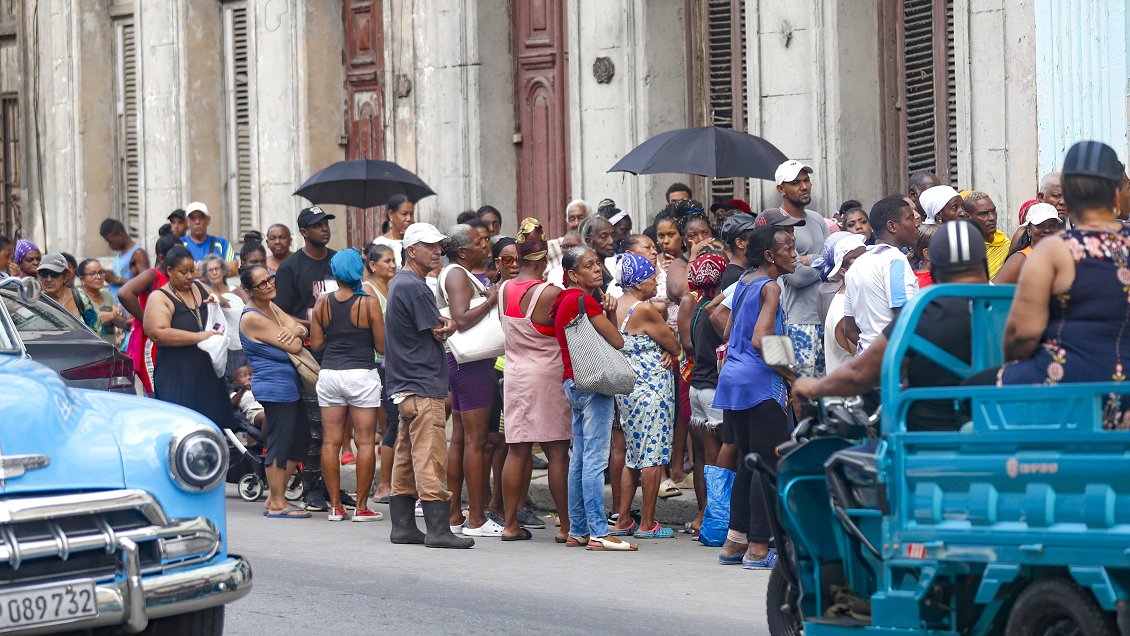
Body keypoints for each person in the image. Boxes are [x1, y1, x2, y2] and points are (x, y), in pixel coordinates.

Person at [794, 220, 991, 432]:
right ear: (984, 263)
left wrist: (814, 386)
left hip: (926, 441)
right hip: (1000, 432)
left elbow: (861, 374)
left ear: (932, 267)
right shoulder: (1010, 308)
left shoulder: (921, 312)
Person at [998, 141, 1130, 399]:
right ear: (1116, 194)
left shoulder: (1053, 250)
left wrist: (1012, 360)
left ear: (1066, 199)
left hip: (1068, 384)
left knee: (972, 390)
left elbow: (1022, 335)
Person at [713, 225, 796, 569]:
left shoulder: (746, 281)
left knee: (749, 461)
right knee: (768, 466)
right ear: (769, 256)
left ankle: (735, 542)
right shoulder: (772, 287)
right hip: (761, 384)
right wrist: (792, 376)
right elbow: (763, 339)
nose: (794, 253)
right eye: (788, 248)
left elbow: (727, 326)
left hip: (733, 380)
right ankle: (759, 547)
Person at [385, 222, 469, 548]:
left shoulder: (400, 282)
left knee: (406, 456)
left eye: (438, 246)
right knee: (430, 456)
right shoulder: (415, 286)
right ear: (411, 250)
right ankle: (438, 529)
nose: (437, 251)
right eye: (430, 246)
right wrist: (447, 324)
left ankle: (403, 526)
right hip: (422, 384)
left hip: (405, 384)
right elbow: (438, 328)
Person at [550, 245, 635, 551]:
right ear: (573, 274)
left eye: (597, 263)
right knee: (595, 460)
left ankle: (577, 529)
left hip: (573, 382)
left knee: (580, 458)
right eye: (588, 266)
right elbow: (617, 339)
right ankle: (599, 531)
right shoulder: (585, 300)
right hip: (594, 384)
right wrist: (610, 311)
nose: (597, 269)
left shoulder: (563, 300)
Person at [498, 219, 572, 542]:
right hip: (546, 376)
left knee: (517, 450)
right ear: (542, 260)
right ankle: (567, 525)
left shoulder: (502, 289)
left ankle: (510, 523)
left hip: (514, 376)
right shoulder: (550, 293)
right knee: (557, 451)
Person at [607, 253, 681, 540]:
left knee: (633, 455)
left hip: (630, 389)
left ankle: (624, 518)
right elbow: (674, 346)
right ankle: (648, 522)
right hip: (652, 389)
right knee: (653, 456)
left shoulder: (620, 305)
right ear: (638, 283)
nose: (655, 282)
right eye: (652, 278)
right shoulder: (643, 309)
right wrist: (668, 347)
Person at [309, 249, 386, 523]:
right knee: (364, 441)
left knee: (330, 442)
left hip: (330, 374)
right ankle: (362, 507)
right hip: (361, 374)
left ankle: (335, 507)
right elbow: (381, 346)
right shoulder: (369, 303)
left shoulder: (322, 302)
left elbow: (316, 344)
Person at [438, 224, 502, 537]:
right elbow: (461, 319)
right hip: (471, 365)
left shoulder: (456, 272)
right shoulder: (458, 274)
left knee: (462, 438)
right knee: (475, 441)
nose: (485, 244)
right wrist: (491, 299)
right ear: (463, 250)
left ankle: (454, 513)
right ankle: (476, 517)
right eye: (479, 241)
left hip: (462, 363)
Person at [237, 264, 312, 519]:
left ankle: (274, 496)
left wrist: (296, 331)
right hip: (274, 387)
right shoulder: (253, 317)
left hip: (288, 386)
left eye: (270, 279)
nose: (269, 285)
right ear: (249, 290)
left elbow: (299, 329)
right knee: (281, 442)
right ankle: (278, 502)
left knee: (299, 438)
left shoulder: (269, 306)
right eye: (262, 284)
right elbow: (294, 344)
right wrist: (296, 333)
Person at [144, 245, 234, 427]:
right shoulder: (159, 297)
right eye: (183, 272)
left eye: (192, 270)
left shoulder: (199, 286)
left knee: (215, 424)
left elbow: (224, 304)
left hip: (207, 368)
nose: (189, 276)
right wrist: (199, 337)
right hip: (177, 371)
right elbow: (157, 333)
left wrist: (219, 301)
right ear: (170, 270)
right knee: (183, 426)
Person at [678, 252, 728, 534]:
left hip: (697, 385)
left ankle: (708, 519)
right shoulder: (717, 310)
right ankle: (722, 519)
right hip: (713, 390)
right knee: (726, 454)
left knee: (709, 458)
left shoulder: (696, 307)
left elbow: (691, 348)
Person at [843, 196, 920, 353]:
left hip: (865, 359)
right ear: (892, 226)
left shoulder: (858, 263)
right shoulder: (894, 260)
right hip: (891, 361)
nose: (916, 224)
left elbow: (850, 330)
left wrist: (871, 352)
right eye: (910, 218)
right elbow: (904, 318)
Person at [119, 233, 181, 395]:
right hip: (153, 344)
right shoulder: (152, 275)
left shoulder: (177, 277)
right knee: (156, 392)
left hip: (172, 342)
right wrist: (147, 320)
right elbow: (125, 293)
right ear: (162, 259)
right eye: (175, 256)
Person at [363, 243, 398, 503]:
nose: (393, 265)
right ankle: (384, 485)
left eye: (393, 260)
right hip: (379, 362)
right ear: (373, 265)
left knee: (397, 422)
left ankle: (394, 481)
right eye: (386, 261)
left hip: (395, 362)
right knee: (392, 422)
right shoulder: (369, 292)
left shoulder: (392, 286)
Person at [275, 206, 337, 328]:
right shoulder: (289, 268)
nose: (324, 229)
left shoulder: (339, 260)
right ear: (304, 232)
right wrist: (314, 325)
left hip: (339, 339)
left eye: (326, 224)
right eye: (317, 226)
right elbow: (281, 314)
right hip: (306, 341)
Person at [823, 234, 867, 375]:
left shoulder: (850, 298)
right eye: (858, 261)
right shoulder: (845, 310)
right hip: (850, 395)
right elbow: (862, 361)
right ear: (843, 271)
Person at [993, 203, 1062, 285]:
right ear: (1029, 230)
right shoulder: (1020, 259)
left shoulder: (1061, 255)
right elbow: (991, 291)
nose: (1047, 230)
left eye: (1052, 226)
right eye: (1040, 225)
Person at [76, 258, 130, 344]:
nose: (99, 277)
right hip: (91, 348)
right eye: (93, 273)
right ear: (82, 279)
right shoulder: (79, 298)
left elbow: (124, 322)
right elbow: (89, 323)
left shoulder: (107, 295)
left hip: (110, 348)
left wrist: (113, 316)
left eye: (101, 272)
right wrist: (113, 315)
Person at [180, 201, 237, 276]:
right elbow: (177, 272)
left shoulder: (222, 243)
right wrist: (215, 269)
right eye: (193, 218)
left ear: (208, 220)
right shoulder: (180, 244)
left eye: (201, 217)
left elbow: (233, 269)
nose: (197, 221)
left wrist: (198, 270)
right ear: (187, 222)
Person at [962, 191, 1011, 278]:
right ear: (967, 217)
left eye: (993, 211)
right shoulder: (964, 249)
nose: (992, 218)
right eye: (983, 214)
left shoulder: (1006, 244)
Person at [99, 218, 149, 300]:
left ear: (120, 235)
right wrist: (109, 277)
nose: (110, 245)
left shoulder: (138, 253)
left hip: (129, 310)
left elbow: (145, 286)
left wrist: (116, 279)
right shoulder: (119, 253)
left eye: (111, 242)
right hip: (115, 307)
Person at [546, 200, 589, 281]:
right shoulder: (552, 247)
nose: (576, 223)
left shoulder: (598, 246)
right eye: (572, 219)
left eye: (581, 218)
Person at [37, 253, 85, 320]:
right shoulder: (35, 301)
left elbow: (96, 328)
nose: (49, 279)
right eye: (44, 274)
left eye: (54, 274)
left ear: (65, 276)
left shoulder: (80, 297)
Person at [373, 195, 415, 269]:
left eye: (411, 214)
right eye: (404, 214)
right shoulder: (379, 244)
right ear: (391, 215)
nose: (409, 219)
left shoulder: (418, 242)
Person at [580, 216, 616, 293]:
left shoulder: (602, 265)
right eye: (604, 237)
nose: (611, 241)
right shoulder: (590, 271)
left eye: (613, 235)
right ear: (589, 242)